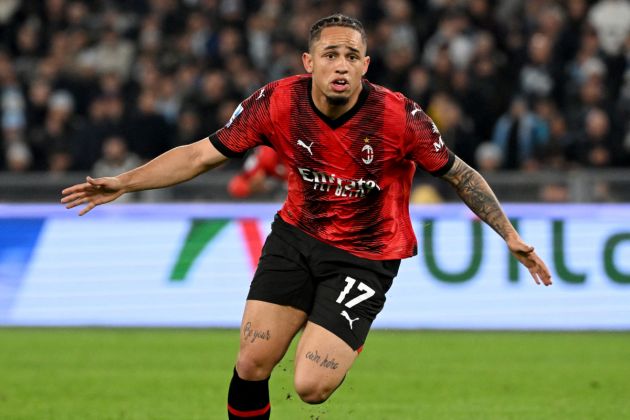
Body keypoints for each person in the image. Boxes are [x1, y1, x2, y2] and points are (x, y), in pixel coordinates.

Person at [61, 14, 552, 419]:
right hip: (296, 238)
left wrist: (508, 234)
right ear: (309, 62)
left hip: (366, 256)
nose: (340, 66)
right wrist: (124, 182)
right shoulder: (275, 102)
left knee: (311, 386)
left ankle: (343, 332)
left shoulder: (400, 118)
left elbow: (461, 175)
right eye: (330, 55)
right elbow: (198, 156)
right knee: (251, 363)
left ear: (366, 65)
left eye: (351, 56)